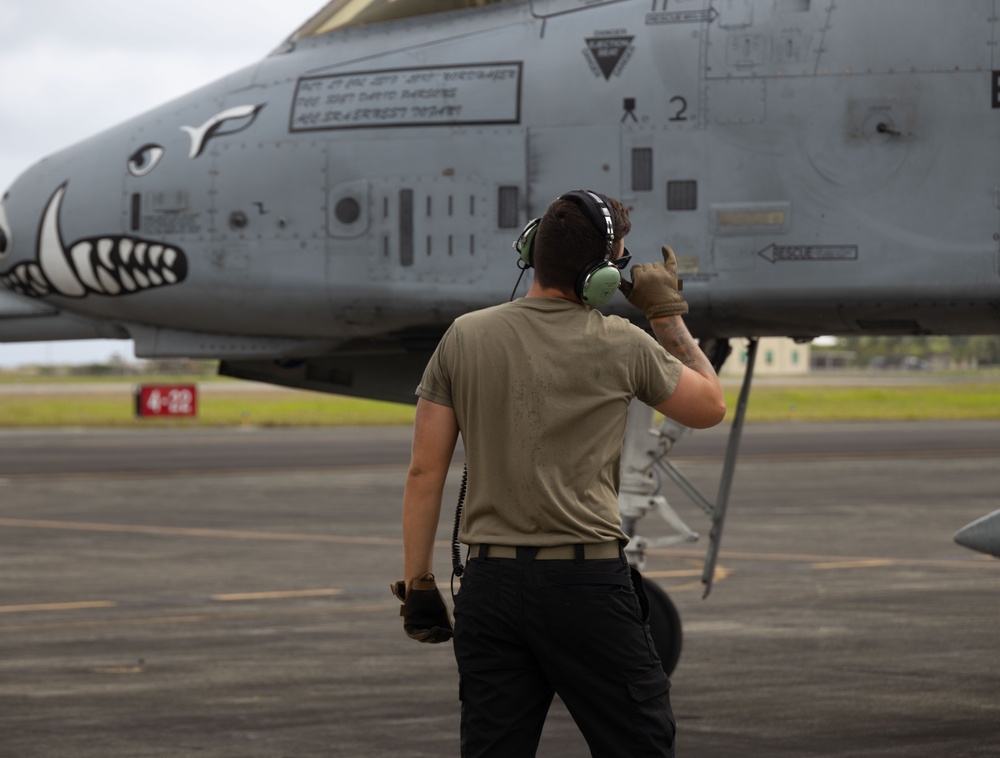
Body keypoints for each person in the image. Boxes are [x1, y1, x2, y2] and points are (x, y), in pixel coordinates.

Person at [392, 189, 726, 757]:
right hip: (586, 588)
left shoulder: (463, 336)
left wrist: (418, 584)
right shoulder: (623, 343)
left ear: (531, 249)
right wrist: (665, 313)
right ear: (601, 274)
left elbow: (425, 471)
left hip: (489, 590)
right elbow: (709, 406)